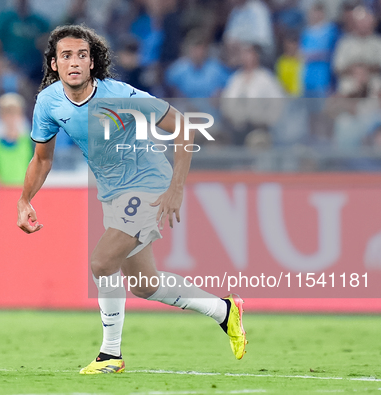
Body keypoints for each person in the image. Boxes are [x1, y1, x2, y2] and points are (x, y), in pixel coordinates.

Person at [16, 25, 246, 375]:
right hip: (113, 193)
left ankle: (110, 355)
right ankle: (224, 311)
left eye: (82, 55)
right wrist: (24, 200)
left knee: (101, 262)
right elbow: (42, 160)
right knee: (145, 284)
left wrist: (176, 188)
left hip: (148, 184)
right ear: (54, 64)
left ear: (92, 63)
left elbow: (183, 126)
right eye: (66, 56)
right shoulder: (48, 102)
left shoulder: (119, 94)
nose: (74, 62)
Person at [0, 93, 33, 186]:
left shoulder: (28, 142)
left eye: (15, 113)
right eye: (6, 113)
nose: (11, 118)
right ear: (0, 116)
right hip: (3, 193)